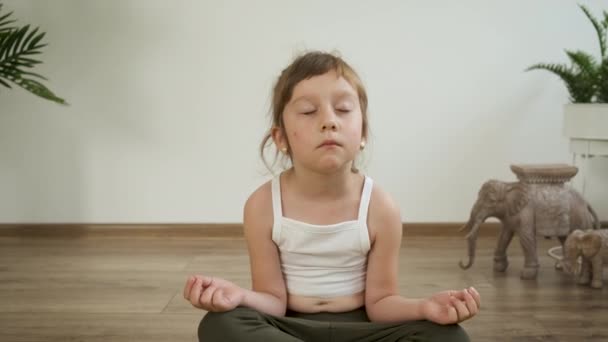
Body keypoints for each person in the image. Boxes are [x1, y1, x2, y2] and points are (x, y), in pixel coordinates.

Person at [183, 50, 480, 342]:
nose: (329, 121)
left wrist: (424, 307)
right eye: (309, 111)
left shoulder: (380, 207)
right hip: (287, 326)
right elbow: (273, 300)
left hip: (363, 328)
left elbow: (381, 303)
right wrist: (238, 295)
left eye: (343, 109)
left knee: (449, 336)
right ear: (281, 138)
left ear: (362, 132)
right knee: (220, 323)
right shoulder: (262, 205)